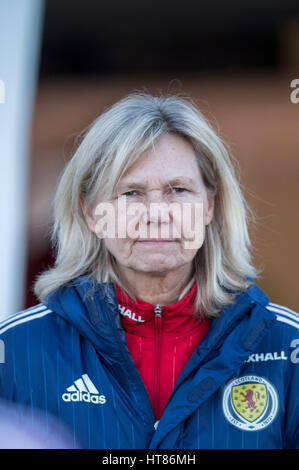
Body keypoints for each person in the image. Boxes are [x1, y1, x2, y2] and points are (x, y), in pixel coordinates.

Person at [0, 92, 298, 449]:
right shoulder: (14, 351)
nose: (156, 215)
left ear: (209, 207)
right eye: (130, 193)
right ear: (91, 213)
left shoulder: (287, 347)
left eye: (178, 189)